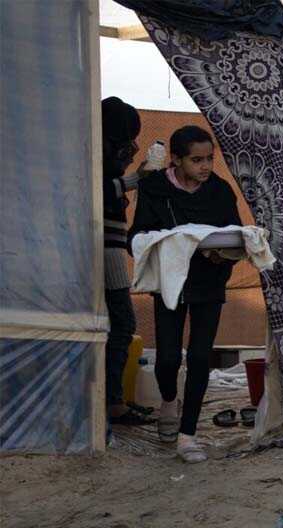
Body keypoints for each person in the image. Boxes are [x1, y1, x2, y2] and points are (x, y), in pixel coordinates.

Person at [129, 125, 242, 462]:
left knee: (199, 357)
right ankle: (168, 402)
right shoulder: (155, 188)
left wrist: (222, 253)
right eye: (196, 160)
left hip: (210, 281)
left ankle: (188, 436)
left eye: (209, 159)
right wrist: (168, 245)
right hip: (170, 282)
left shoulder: (220, 191)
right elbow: (138, 236)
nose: (205, 166)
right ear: (176, 160)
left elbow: (236, 234)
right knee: (167, 357)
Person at [100, 97, 154, 430]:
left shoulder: (104, 163)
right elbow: (96, 192)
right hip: (106, 253)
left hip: (110, 250)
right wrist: (136, 179)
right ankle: (113, 403)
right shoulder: (94, 164)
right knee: (122, 324)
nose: (131, 148)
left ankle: (112, 398)